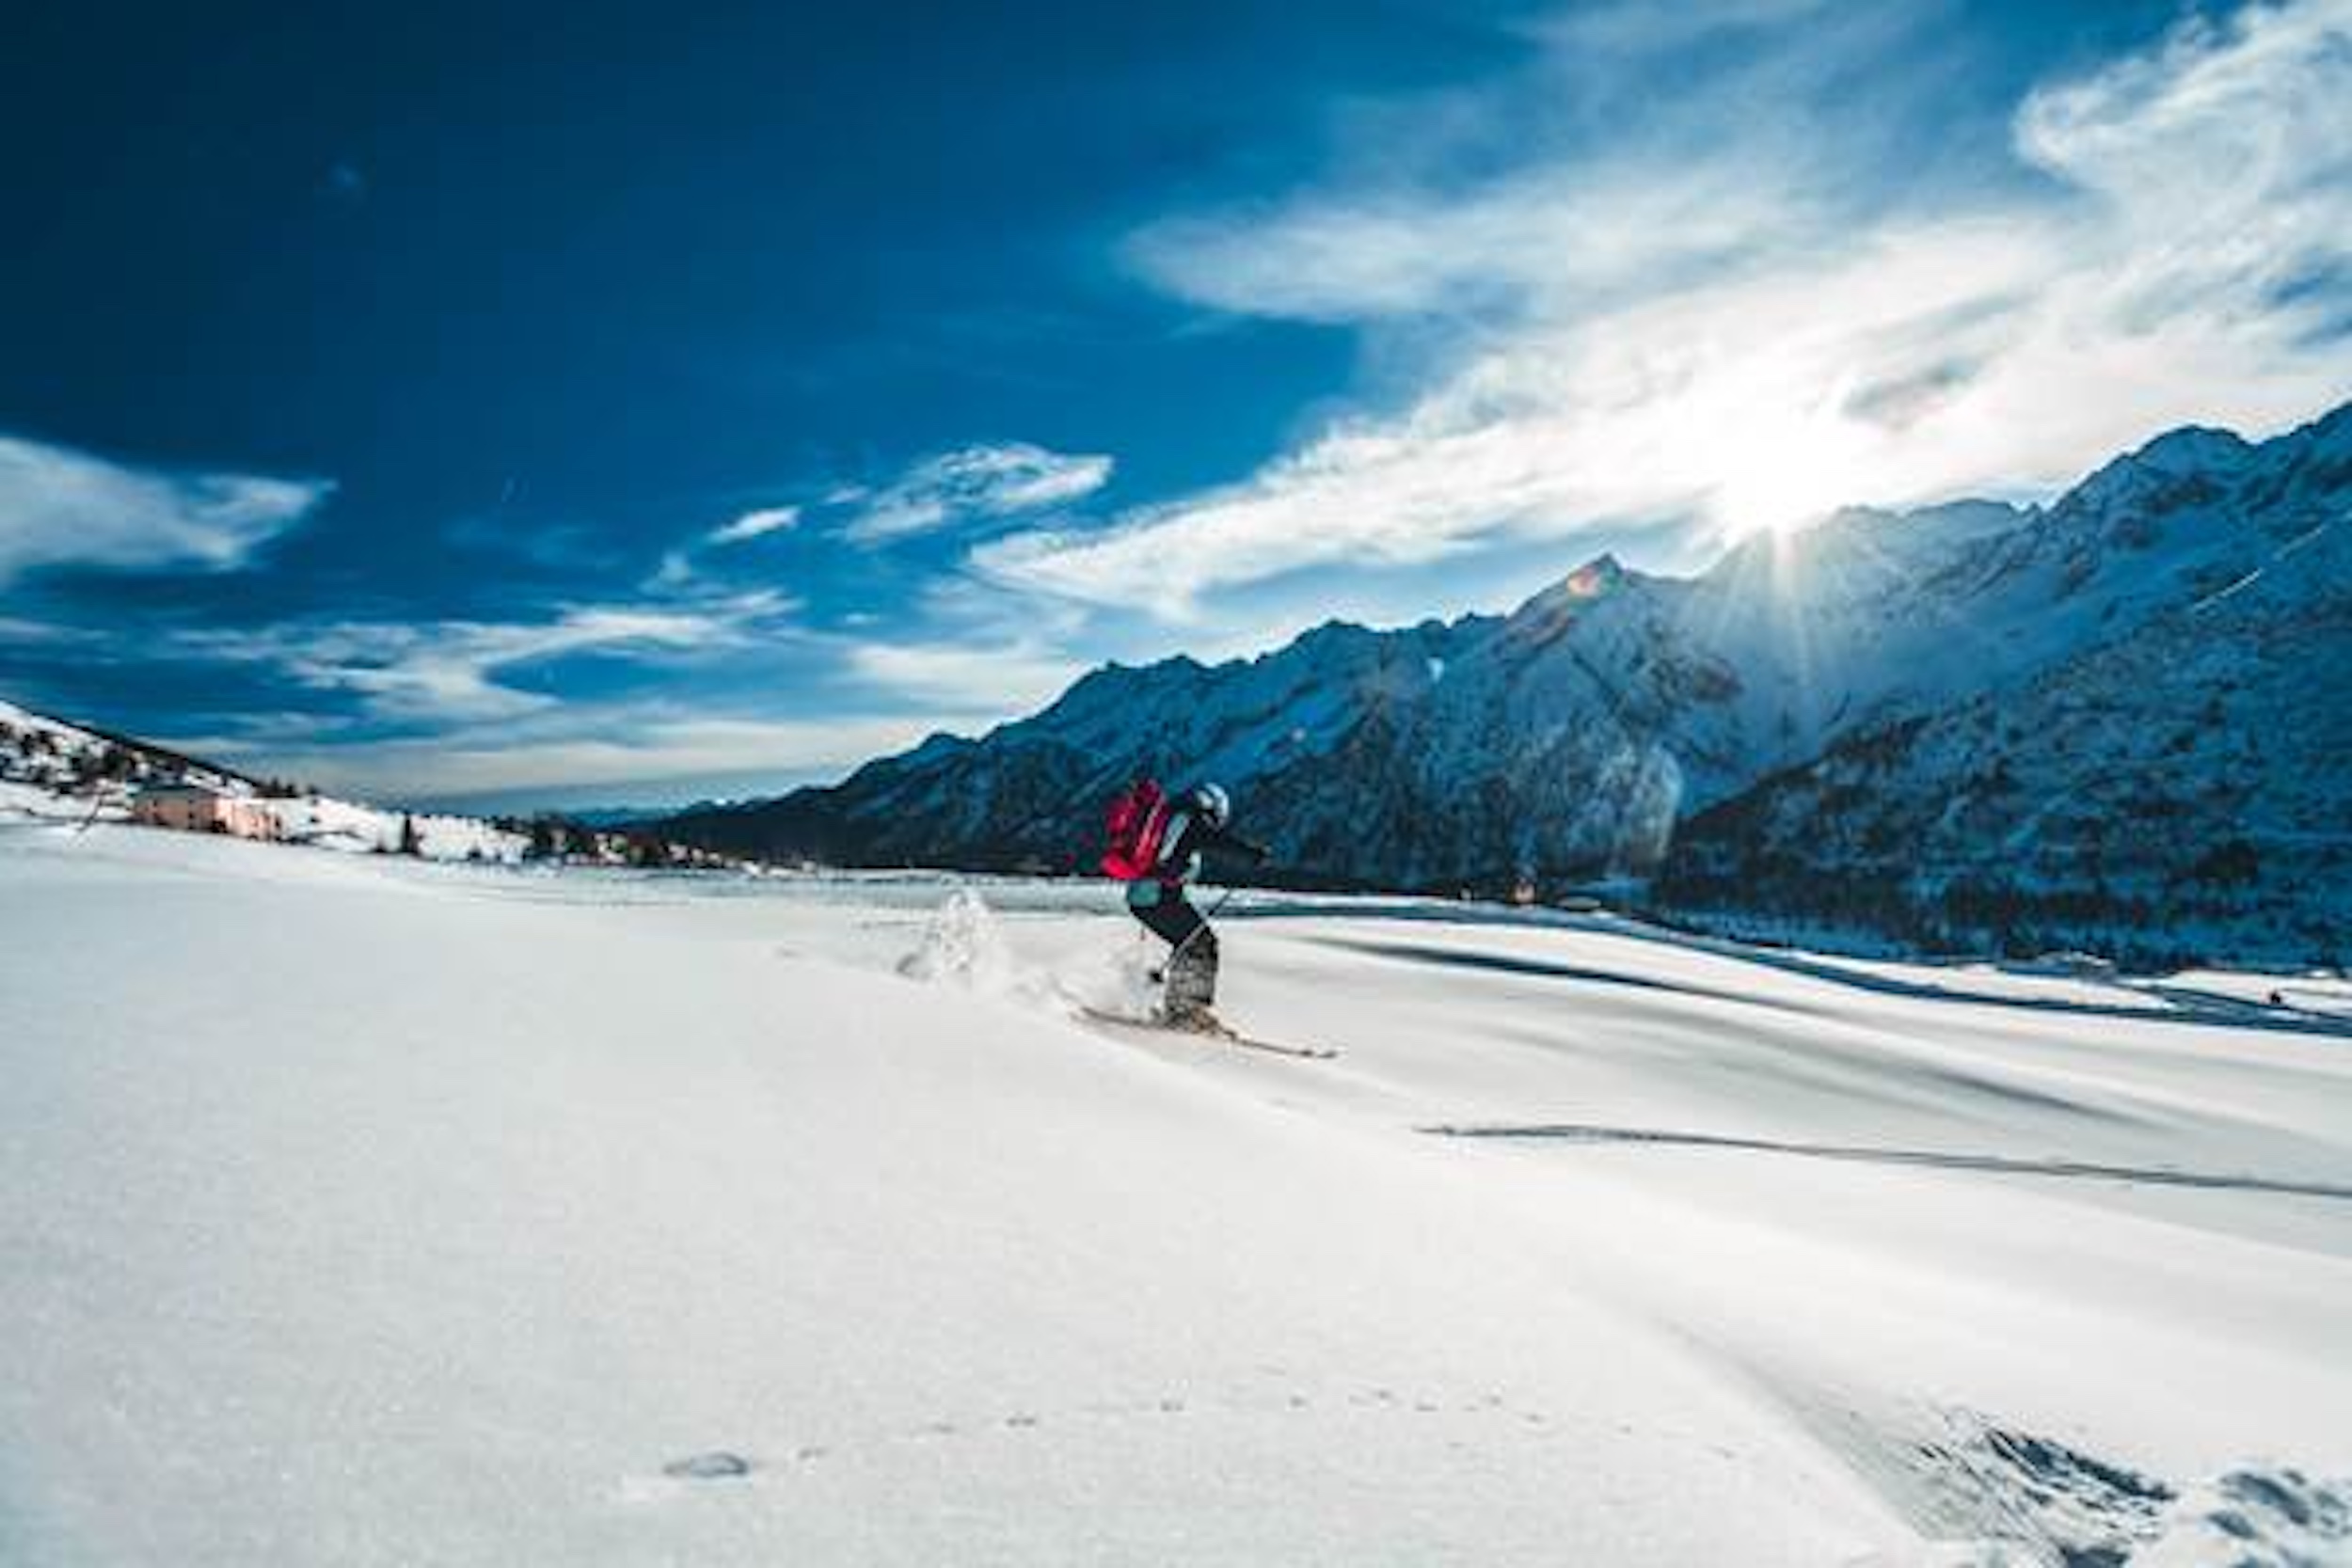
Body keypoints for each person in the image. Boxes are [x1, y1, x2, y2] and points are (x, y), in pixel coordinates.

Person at [1126, 782, 1268, 1026]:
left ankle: (1179, 1006)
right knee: (1201, 942)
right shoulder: (1190, 821)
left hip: (1149, 896)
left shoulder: (1173, 819)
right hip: (1157, 897)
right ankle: (1186, 1012)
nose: (1216, 821)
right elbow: (1217, 841)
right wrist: (1250, 852)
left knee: (1190, 942)